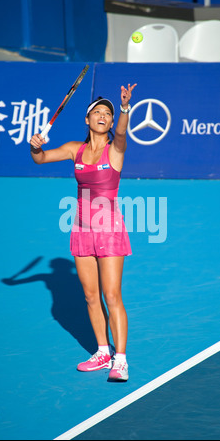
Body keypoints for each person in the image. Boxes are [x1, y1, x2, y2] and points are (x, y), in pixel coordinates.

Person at [30, 83, 137, 382]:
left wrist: (125, 107)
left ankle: (121, 360)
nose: (103, 115)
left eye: (109, 113)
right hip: (82, 230)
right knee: (91, 297)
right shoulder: (73, 149)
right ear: (87, 120)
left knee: (111, 295)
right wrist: (35, 146)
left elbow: (122, 134)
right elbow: (40, 158)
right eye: (98, 112)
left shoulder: (115, 149)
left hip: (109, 230)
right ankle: (103, 352)